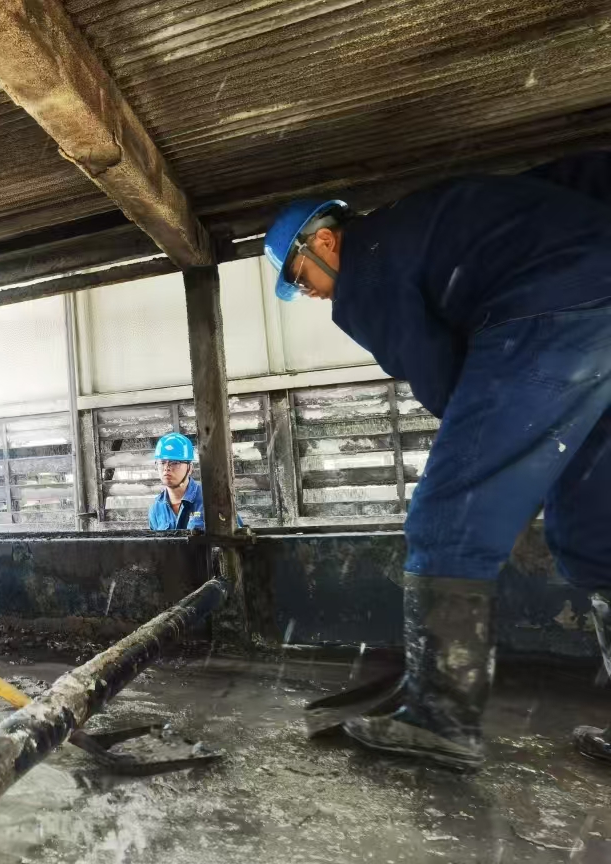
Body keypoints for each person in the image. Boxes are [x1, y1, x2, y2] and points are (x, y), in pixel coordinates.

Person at [264, 150, 611, 771]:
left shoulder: (366, 266)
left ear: (323, 241)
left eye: (300, 278)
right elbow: (583, 178)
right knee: (595, 526)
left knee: (447, 515)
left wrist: (493, 465)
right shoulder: (435, 217)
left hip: (547, 311)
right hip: (598, 297)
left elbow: (446, 386)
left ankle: (440, 717)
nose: (310, 294)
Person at [147, 432, 207, 531]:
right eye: (162, 463)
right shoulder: (156, 508)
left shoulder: (209, 500)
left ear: (190, 468)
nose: (166, 468)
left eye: (175, 463)